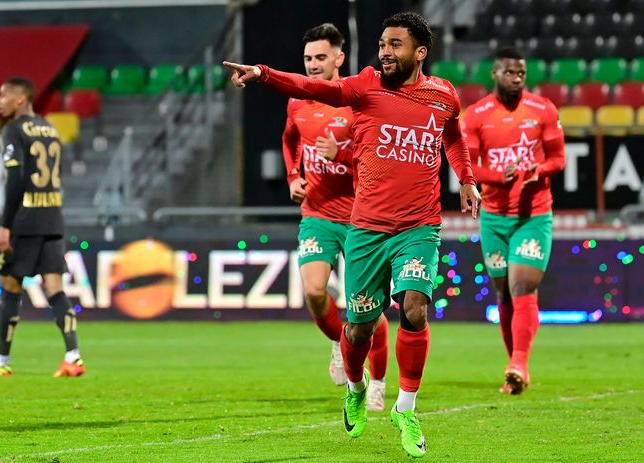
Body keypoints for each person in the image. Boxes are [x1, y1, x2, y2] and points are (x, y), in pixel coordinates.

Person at [224, 11, 481, 458]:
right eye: (382, 44)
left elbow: (453, 134)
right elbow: (312, 88)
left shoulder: (443, 95)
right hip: (366, 228)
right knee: (359, 328)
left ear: (420, 52)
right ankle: (357, 388)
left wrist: (467, 178)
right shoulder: (365, 86)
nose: (384, 51)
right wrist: (264, 74)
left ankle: (406, 407)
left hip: (419, 226)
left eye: (395, 45)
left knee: (415, 309)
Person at [282, 23, 389, 411]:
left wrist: (340, 154)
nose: (312, 65)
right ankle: (337, 342)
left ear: (339, 58)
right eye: (308, 58)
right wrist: (294, 175)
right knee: (313, 292)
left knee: (368, 311)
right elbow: (290, 138)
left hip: (362, 218)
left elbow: (379, 156)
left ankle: (376, 383)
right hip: (318, 214)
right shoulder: (297, 102)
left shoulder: (357, 102)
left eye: (320, 57)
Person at [461, 47, 565, 395]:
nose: (517, 78)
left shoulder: (543, 110)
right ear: (494, 73)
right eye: (510, 72)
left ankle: (519, 361)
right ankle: (515, 367)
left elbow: (558, 159)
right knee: (504, 293)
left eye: (521, 73)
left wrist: (539, 169)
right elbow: (469, 166)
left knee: (523, 286)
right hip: (493, 217)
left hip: (533, 215)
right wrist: (496, 177)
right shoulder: (476, 115)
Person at [0, 77, 85, 378]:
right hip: (53, 218)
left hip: (25, 220)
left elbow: (17, 180)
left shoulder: (13, 129)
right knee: (55, 289)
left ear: (20, 100)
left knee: (10, 286)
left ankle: (0, 361)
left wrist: (6, 225)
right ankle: (73, 357)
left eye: (4, 95)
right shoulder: (50, 128)